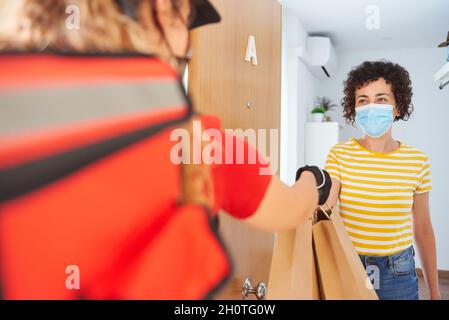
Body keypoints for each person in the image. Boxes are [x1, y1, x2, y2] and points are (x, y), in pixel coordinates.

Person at [0, 0, 331, 299]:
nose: (189, 43)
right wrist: (315, 181)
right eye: (185, 21)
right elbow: (291, 209)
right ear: (161, 11)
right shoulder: (197, 144)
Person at [324, 60, 440, 300]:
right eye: (363, 100)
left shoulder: (418, 161)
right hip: (349, 264)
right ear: (354, 108)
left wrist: (435, 292)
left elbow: (424, 229)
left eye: (381, 99)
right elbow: (326, 206)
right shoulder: (339, 154)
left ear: (397, 107)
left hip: (398, 271)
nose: (371, 106)